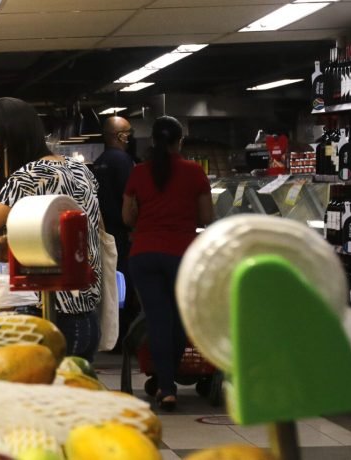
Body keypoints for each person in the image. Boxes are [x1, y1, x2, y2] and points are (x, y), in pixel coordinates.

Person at [0, 97, 103, 361]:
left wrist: (7, 251)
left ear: (12, 141)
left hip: (48, 315)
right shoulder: (80, 170)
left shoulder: (27, 176)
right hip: (87, 316)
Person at [122, 116, 214, 411]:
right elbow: (207, 218)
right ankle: (167, 381)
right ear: (180, 141)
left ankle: (166, 386)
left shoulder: (138, 172)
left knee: (158, 318)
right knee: (180, 320)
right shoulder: (194, 172)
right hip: (182, 256)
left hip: (144, 255)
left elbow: (127, 218)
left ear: (153, 142)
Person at [92, 116, 136, 349]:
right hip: (122, 233)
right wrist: (134, 225)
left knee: (112, 285)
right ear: (119, 136)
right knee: (125, 286)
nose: (130, 137)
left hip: (105, 232)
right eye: (128, 132)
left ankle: (113, 335)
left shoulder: (100, 161)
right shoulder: (122, 160)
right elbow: (131, 199)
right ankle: (125, 338)